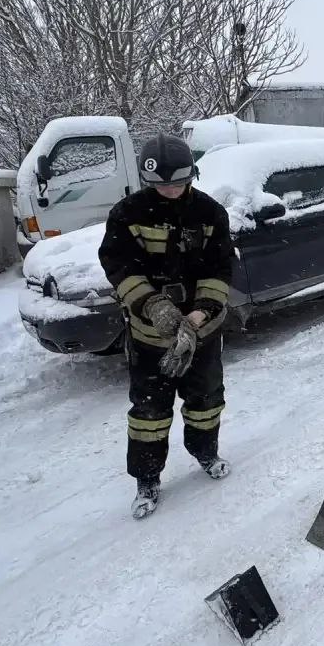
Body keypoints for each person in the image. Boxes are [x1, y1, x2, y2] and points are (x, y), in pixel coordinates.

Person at [98, 132, 234, 520]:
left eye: (178, 182)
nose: (171, 190)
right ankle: (146, 479)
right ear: (148, 180)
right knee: (149, 413)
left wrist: (200, 314)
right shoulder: (127, 214)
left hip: (201, 334)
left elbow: (221, 266)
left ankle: (206, 453)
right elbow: (119, 266)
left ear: (191, 176)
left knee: (206, 400)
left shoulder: (209, 213)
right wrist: (153, 305)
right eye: (162, 184)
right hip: (149, 336)